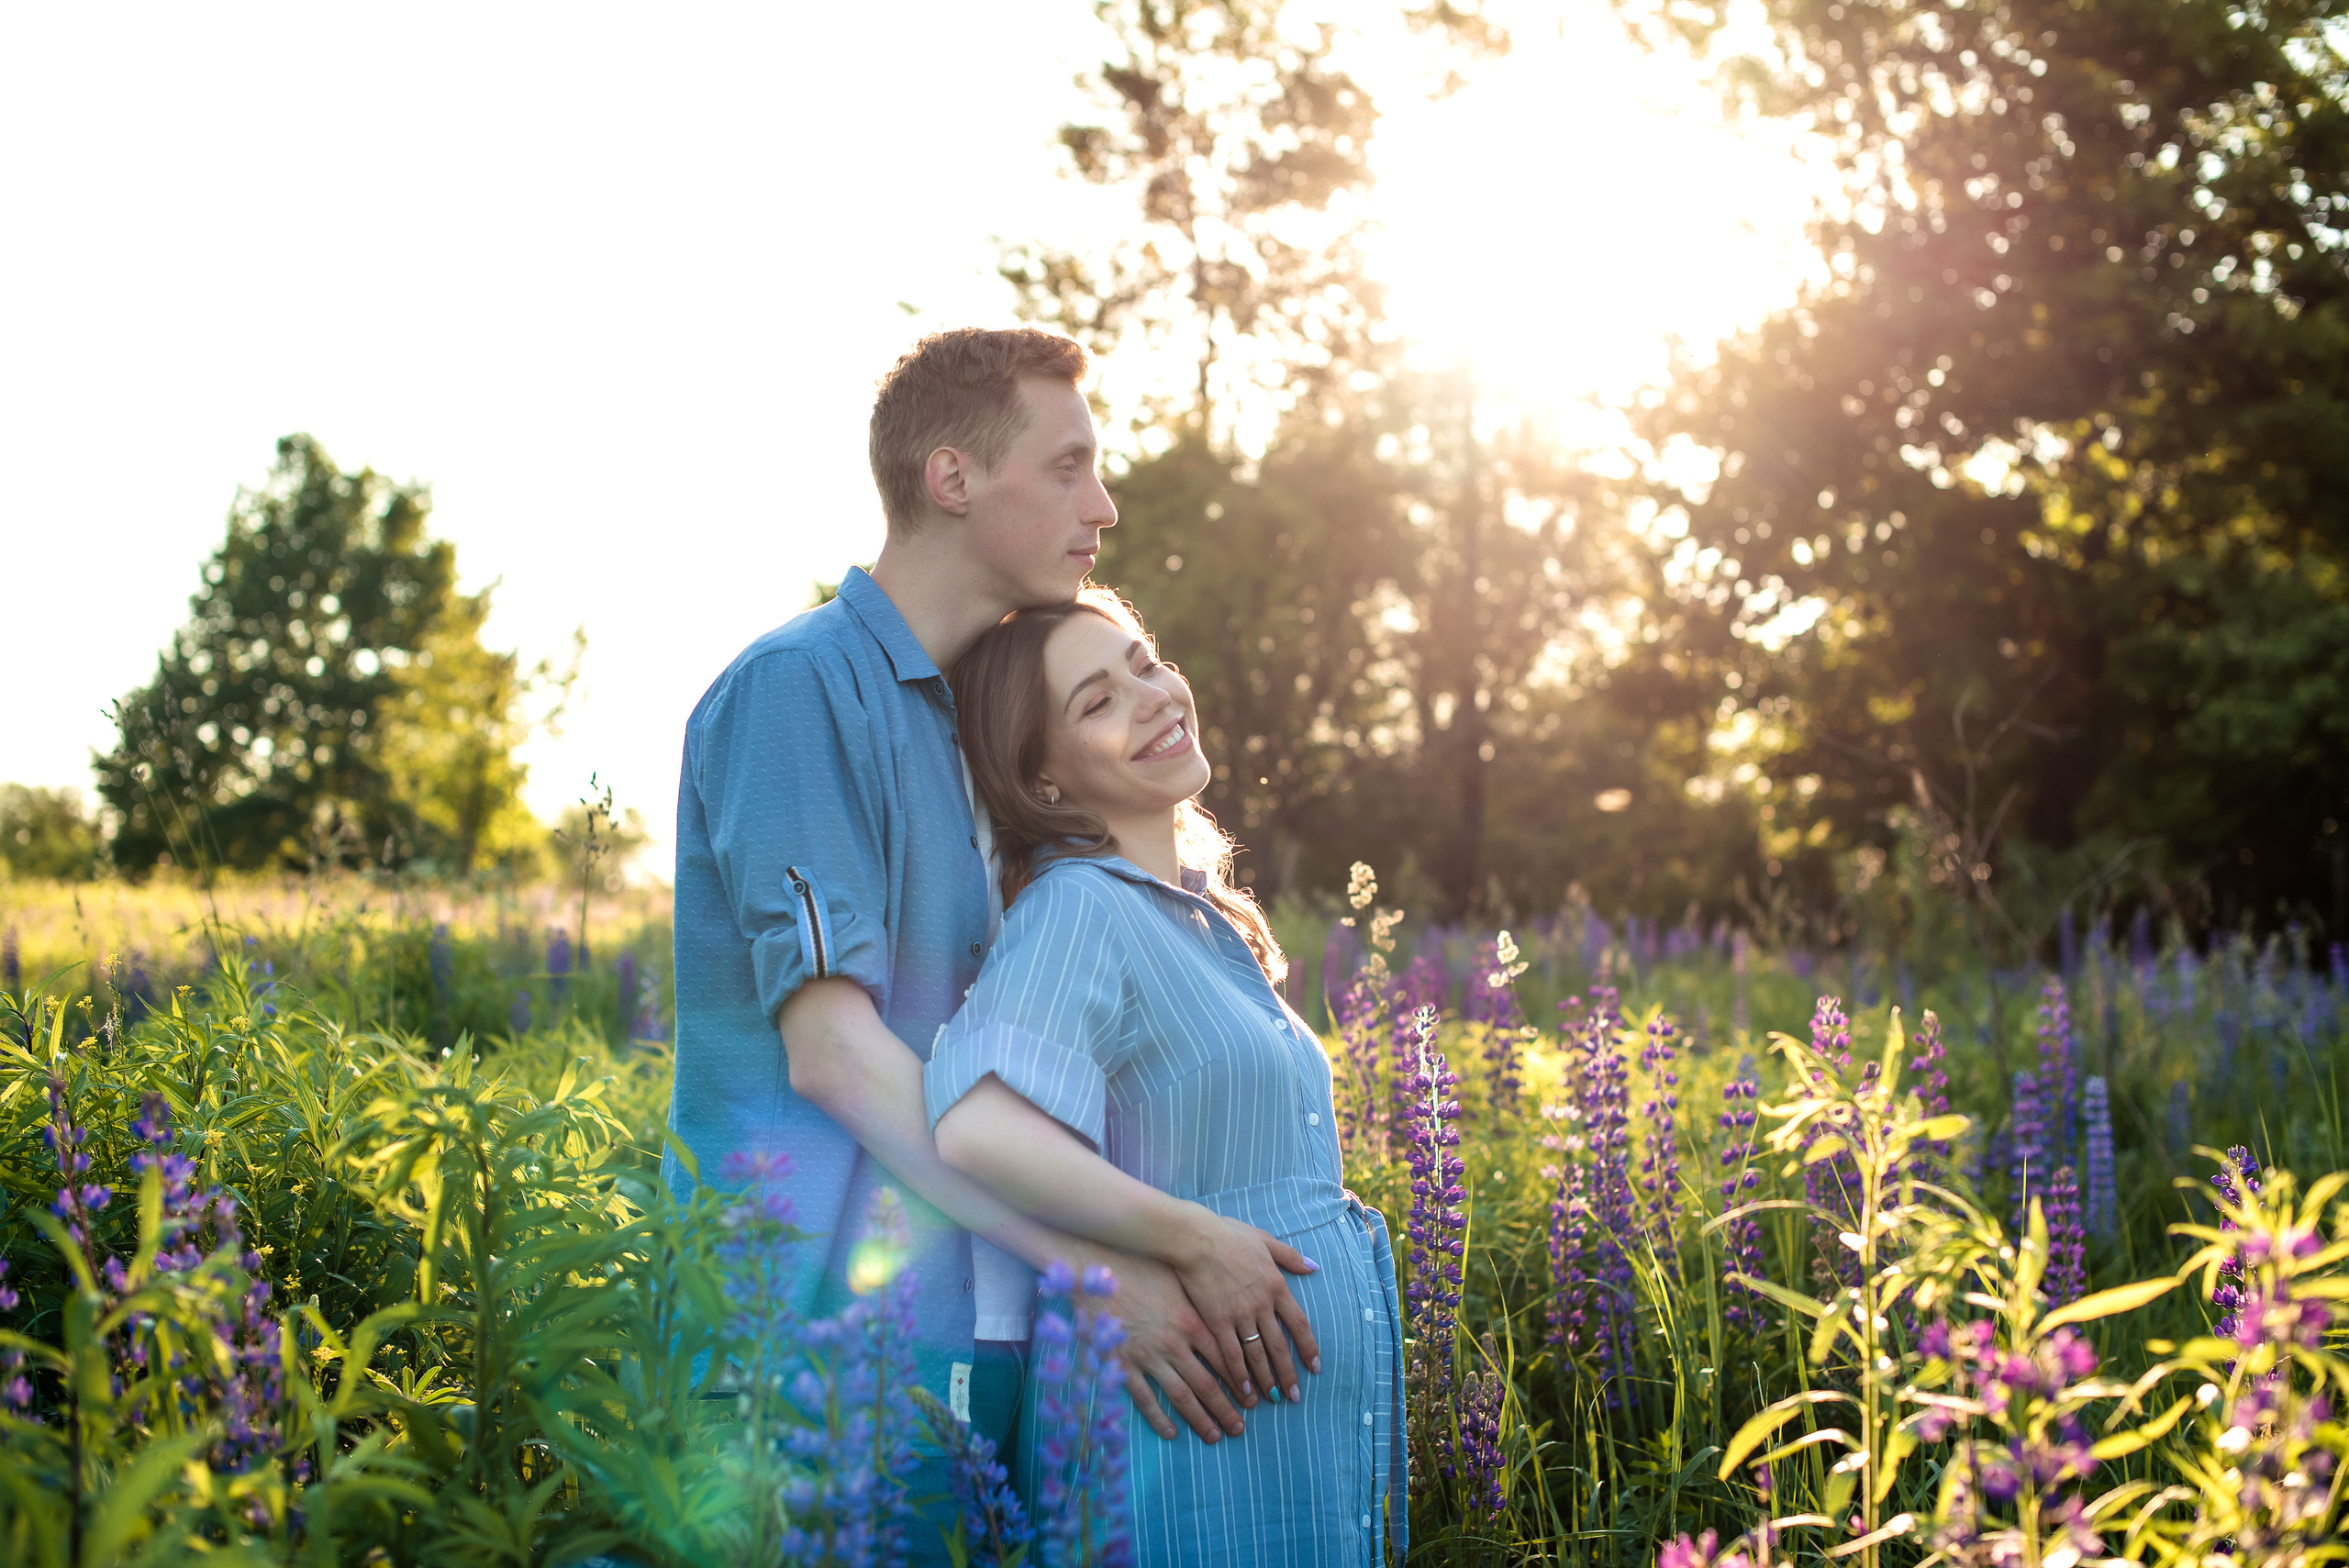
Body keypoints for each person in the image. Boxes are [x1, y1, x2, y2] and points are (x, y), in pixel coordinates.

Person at [665, 328, 1310, 1557]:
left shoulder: (970, 719)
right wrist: (1098, 1264)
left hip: (972, 1341)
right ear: (954, 479)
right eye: (1067, 467)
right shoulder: (799, 689)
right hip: (800, 1350)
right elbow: (835, 1057)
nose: (1104, 506)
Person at [928, 589, 1407, 1563]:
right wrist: (1198, 1239)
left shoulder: (1194, 917)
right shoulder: (1079, 908)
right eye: (1097, 701)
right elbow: (980, 1129)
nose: (1151, 695)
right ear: (1046, 781)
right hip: (1186, 1442)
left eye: (1145, 662)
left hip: (1268, 1440)